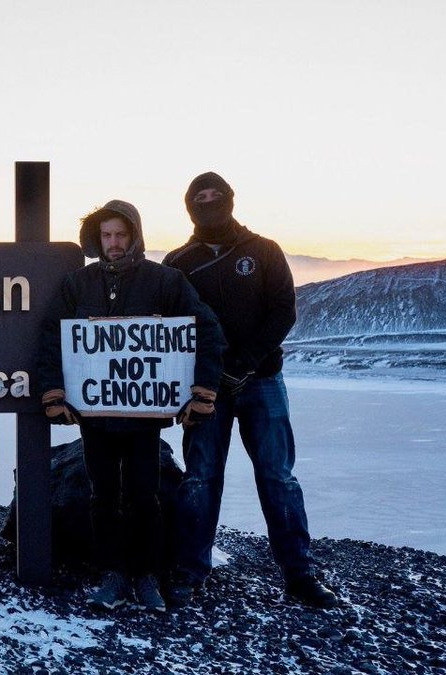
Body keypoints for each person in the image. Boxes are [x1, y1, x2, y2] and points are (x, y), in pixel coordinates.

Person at [37, 199, 225, 613]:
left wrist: (202, 391)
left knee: (146, 496)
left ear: (135, 235)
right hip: (96, 417)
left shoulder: (165, 281)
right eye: (106, 235)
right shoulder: (77, 284)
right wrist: (53, 393)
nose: (114, 243)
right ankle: (112, 573)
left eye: (121, 234)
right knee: (101, 495)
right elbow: (52, 336)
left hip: (143, 419)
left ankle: (146, 575)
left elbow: (206, 329)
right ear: (97, 238)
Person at [163, 173, 339, 609]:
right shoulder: (178, 262)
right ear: (188, 206)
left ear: (231, 200)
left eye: (215, 196)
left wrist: (244, 363)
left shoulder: (264, 251)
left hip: (262, 381)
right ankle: (190, 570)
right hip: (205, 388)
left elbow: (284, 311)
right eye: (199, 198)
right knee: (200, 477)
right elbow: (167, 324)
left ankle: (299, 573)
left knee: (278, 476)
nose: (208, 202)